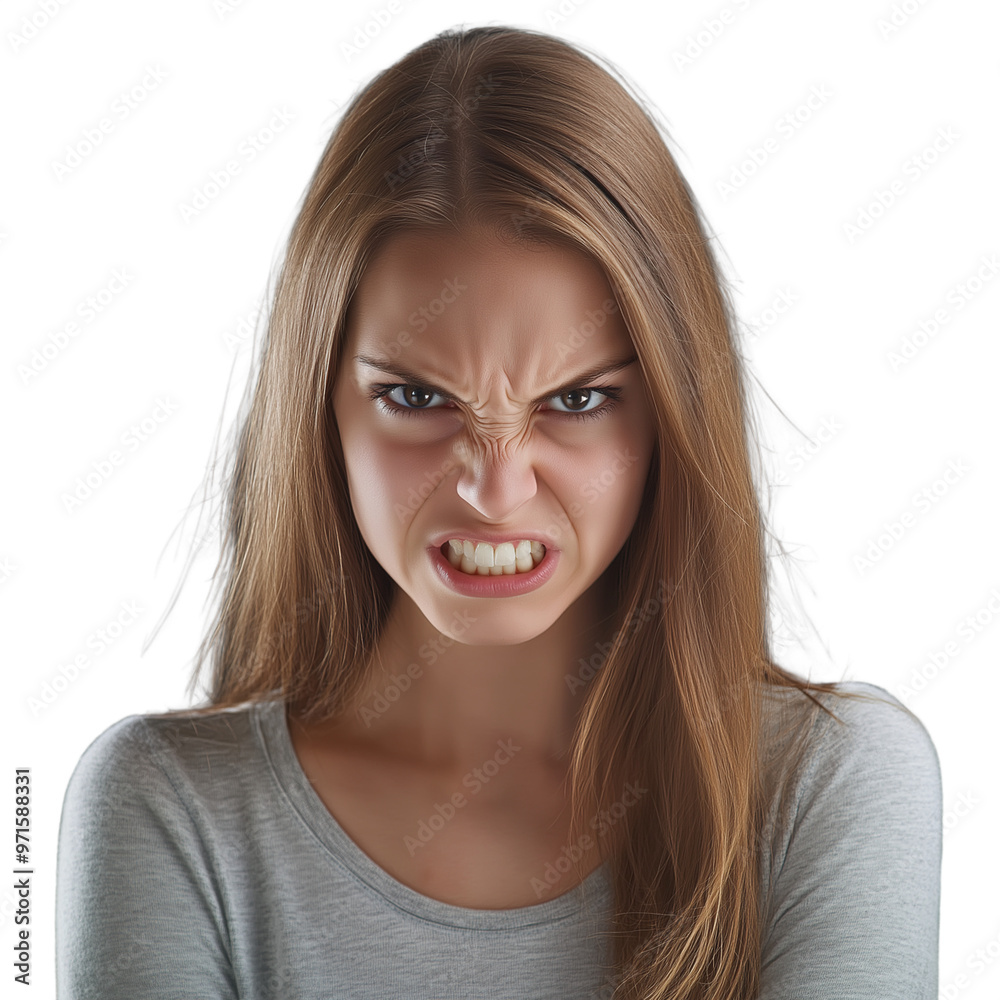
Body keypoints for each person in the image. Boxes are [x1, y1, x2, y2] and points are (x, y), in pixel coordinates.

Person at [54, 24, 942, 1000]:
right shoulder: (166, 809)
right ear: (320, 411)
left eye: (574, 400)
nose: (493, 487)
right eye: (418, 398)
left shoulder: (834, 787)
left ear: (670, 415)